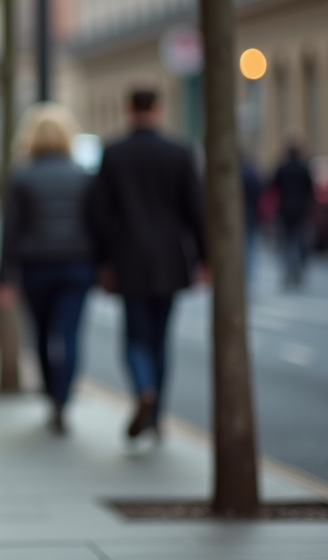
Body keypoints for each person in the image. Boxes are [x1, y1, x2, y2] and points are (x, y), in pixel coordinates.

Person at [88, 88, 205, 442]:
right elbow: (195, 211)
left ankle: (143, 387)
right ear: (157, 109)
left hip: (129, 258)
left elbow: (99, 213)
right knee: (160, 338)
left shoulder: (113, 153)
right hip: (170, 260)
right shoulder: (179, 151)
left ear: (128, 109)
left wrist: (103, 260)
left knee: (135, 337)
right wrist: (205, 258)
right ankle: (156, 416)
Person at [0, 103, 94, 435]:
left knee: (40, 333)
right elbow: (98, 226)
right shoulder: (83, 177)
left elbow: (10, 230)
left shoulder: (23, 177)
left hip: (36, 266)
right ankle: (63, 400)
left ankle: (52, 393)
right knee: (70, 333)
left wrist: (4, 277)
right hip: (78, 264)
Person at [272, 141, 314, 289]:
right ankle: (297, 270)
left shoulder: (282, 168)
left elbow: (273, 185)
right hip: (301, 209)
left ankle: (290, 270)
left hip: (285, 209)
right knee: (299, 239)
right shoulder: (304, 168)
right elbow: (310, 189)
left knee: (287, 242)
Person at [241, 152, 264, 291]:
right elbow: (259, 191)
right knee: (249, 248)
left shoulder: (236, 174)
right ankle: (247, 277)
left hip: (241, 217)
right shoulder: (251, 174)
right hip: (250, 215)